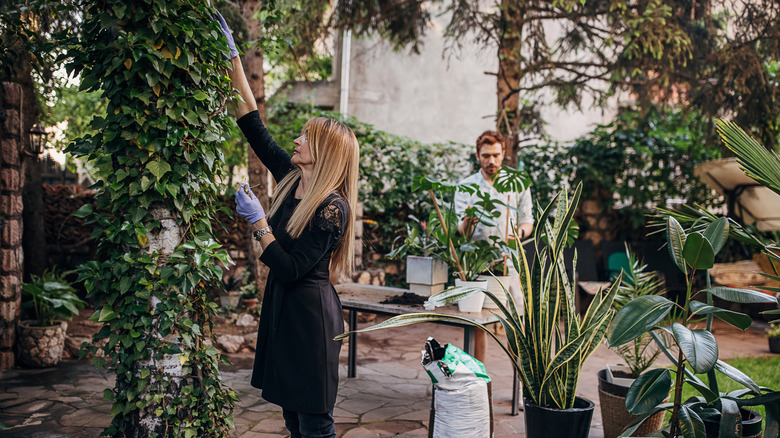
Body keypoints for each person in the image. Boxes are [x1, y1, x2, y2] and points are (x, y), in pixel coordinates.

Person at [217, 13, 359, 438]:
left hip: (311, 318)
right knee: (292, 419)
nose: (295, 141)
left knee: (315, 423)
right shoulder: (293, 177)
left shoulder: (333, 208)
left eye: (304, 137)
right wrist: (233, 60)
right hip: (283, 311)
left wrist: (259, 221)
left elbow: (292, 267)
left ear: (324, 152)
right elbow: (251, 122)